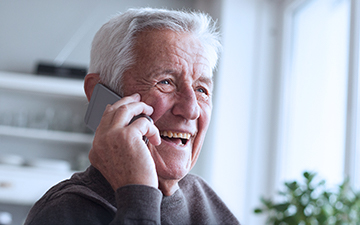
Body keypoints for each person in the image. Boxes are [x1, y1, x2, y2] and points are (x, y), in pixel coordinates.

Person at [24, 8, 240, 225]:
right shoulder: (65, 210)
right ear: (101, 95)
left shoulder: (205, 200)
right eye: (165, 82)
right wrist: (139, 194)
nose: (192, 109)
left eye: (201, 89)